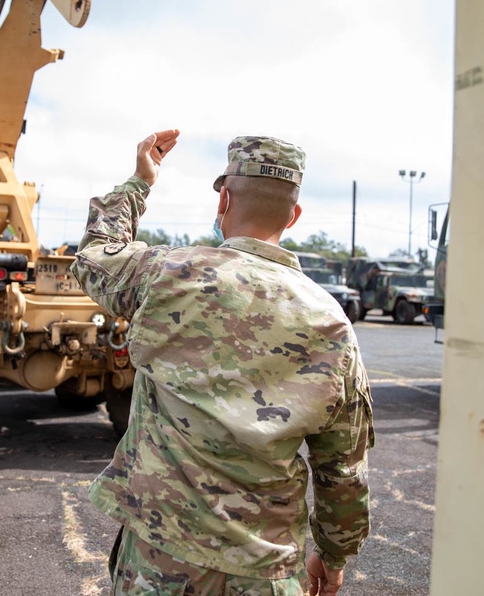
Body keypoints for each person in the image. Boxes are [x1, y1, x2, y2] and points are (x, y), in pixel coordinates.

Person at [71, 130, 374, 595]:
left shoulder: (165, 275)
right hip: (266, 572)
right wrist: (333, 556)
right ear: (293, 216)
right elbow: (343, 471)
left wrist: (139, 182)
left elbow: (95, 257)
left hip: (159, 564)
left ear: (224, 201)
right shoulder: (331, 323)